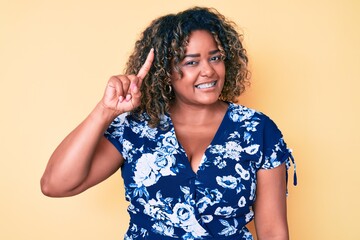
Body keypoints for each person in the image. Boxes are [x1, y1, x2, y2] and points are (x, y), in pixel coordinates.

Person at [41, 7, 296, 240]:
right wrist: (105, 111)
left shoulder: (256, 130)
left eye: (215, 58)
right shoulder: (136, 128)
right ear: (165, 71)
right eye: (191, 62)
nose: (208, 71)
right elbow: (55, 185)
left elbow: (273, 230)